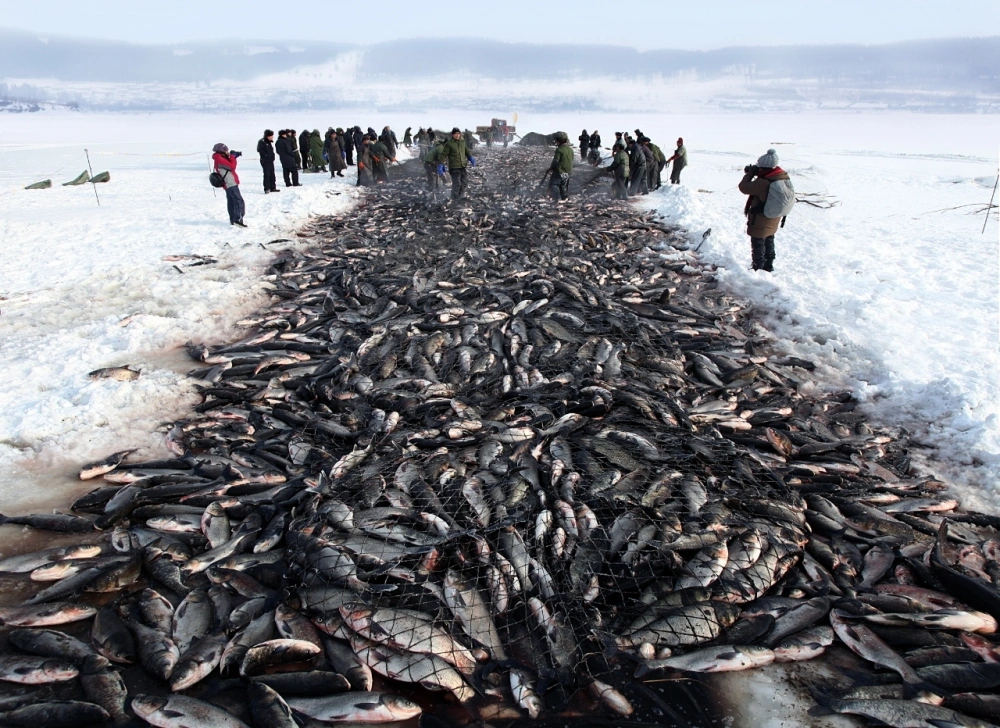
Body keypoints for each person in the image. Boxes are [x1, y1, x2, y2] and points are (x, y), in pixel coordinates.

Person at [739, 148, 795, 272]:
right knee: (769, 240)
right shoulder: (781, 176)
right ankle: (768, 266)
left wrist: (750, 174)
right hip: (774, 217)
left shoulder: (763, 182)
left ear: (763, 167)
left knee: (758, 243)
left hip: (761, 217)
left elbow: (744, 187)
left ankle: (758, 269)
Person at [431, 127, 474, 200]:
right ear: (452, 135)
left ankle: (460, 196)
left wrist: (470, 158)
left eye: (458, 133)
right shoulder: (449, 143)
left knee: (464, 183)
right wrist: (440, 164)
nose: (457, 135)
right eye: (455, 134)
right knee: (457, 184)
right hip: (454, 167)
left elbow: (466, 151)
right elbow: (444, 154)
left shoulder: (462, 142)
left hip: (462, 166)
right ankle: (454, 198)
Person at [212, 143, 246, 227]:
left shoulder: (219, 157)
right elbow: (231, 166)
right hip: (230, 183)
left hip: (229, 182)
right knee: (238, 201)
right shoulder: (219, 159)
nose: (228, 152)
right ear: (221, 151)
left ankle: (234, 220)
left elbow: (228, 164)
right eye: (226, 150)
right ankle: (237, 220)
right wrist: (233, 157)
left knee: (232, 201)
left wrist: (233, 156)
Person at [547, 131, 574, 202]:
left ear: (560, 141)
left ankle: (556, 198)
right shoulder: (571, 150)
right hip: (568, 171)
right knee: (564, 185)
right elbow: (571, 159)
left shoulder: (559, 149)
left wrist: (551, 168)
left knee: (554, 184)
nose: (557, 143)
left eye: (557, 142)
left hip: (560, 171)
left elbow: (556, 161)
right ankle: (564, 198)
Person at [256, 129, 279, 194]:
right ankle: (267, 188)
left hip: (271, 161)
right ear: (267, 136)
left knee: (272, 174)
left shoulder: (269, 142)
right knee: (267, 174)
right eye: (271, 136)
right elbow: (259, 150)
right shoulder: (262, 142)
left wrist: (272, 156)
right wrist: (265, 156)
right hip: (265, 161)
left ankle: (273, 187)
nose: (272, 137)